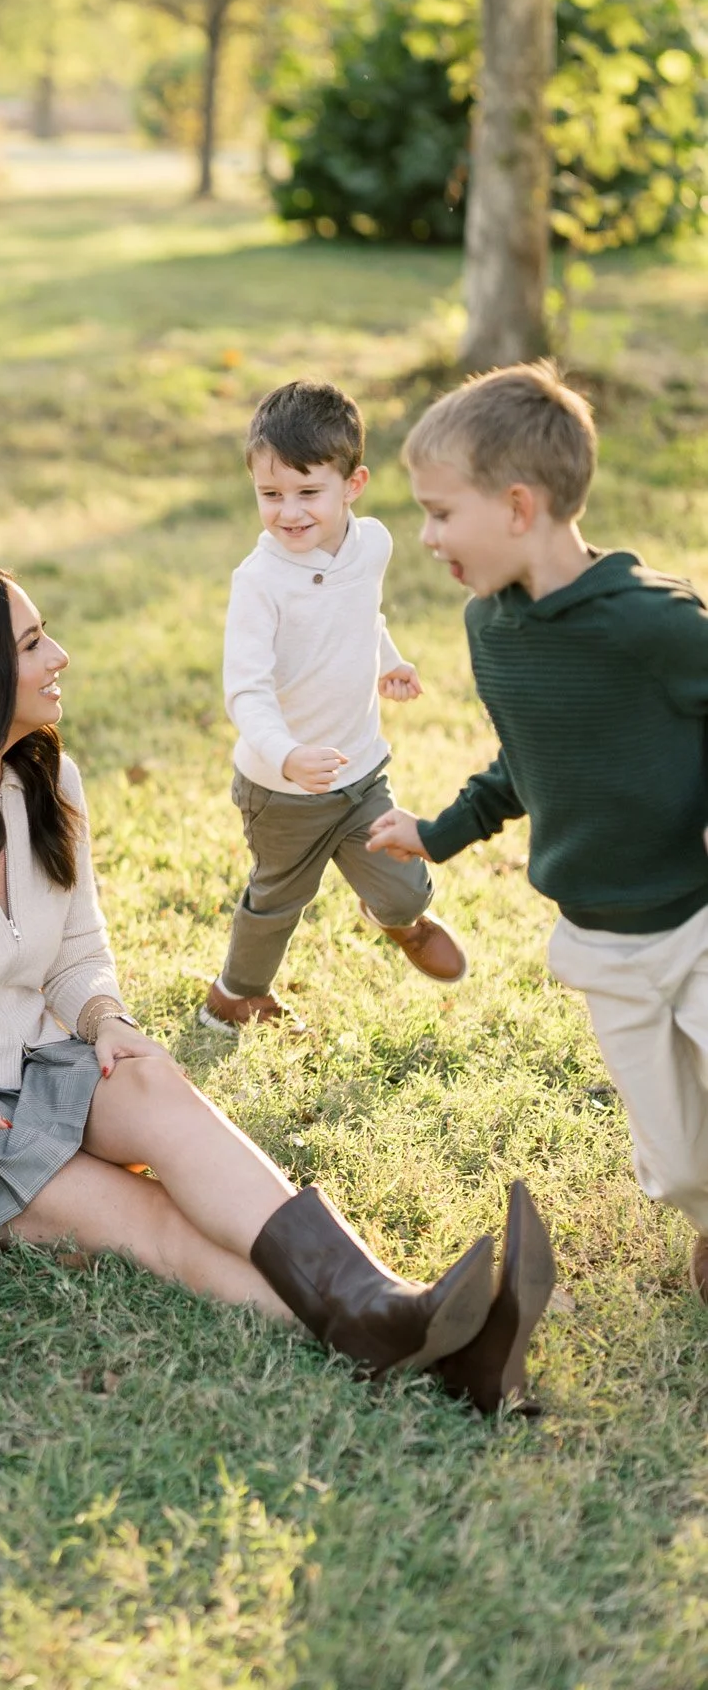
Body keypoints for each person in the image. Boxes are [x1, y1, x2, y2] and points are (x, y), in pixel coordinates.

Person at [0, 564, 554, 1409]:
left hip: (45, 1060)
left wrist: (104, 1017)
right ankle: (436, 1351)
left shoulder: (45, 783)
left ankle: (389, 1304)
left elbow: (76, 953)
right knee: (154, 1220)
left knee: (151, 1077)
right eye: (33, 644)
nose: (60, 658)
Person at [368, 360, 708, 1311]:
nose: (426, 537)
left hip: (697, 914)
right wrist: (436, 835)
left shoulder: (653, 620)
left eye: (439, 513)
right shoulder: (491, 629)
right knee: (678, 1164)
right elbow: (524, 756)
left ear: (518, 506)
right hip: (600, 937)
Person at [201, 380, 467, 1035]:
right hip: (281, 789)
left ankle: (394, 918)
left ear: (352, 485)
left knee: (403, 881)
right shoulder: (258, 582)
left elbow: (360, 617)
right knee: (278, 898)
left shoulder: (371, 544)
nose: (287, 512)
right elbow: (246, 689)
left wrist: (390, 659)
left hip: (361, 769)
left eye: (306, 492)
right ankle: (233, 997)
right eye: (270, 495)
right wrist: (285, 755)